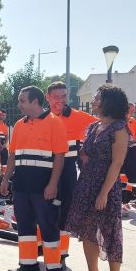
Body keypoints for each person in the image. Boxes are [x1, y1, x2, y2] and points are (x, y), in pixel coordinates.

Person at [65, 84, 130, 271]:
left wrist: (103, 193)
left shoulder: (119, 128)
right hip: (87, 184)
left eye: (97, 98)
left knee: (110, 233)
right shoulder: (94, 127)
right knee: (87, 232)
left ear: (107, 102)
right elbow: (86, 154)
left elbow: (116, 164)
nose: (93, 101)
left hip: (106, 188)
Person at [0, 86, 68, 271]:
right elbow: (12, 155)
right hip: (22, 186)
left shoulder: (55, 123)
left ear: (35, 102)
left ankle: (54, 268)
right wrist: (5, 179)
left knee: (48, 226)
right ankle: (28, 266)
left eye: (22, 101)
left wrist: (53, 184)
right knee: (25, 227)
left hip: (44, 186)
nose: (19, 104)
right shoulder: (19, 125)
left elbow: (60, 157)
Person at [45, 81, 96, 261]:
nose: (61, 100)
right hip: (45, 169)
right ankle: (41, 249)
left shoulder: (79, 116)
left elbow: (102, 127)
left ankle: (62, 254)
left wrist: (86, 150)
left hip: (67, 171)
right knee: (44, 210)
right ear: (48, 98)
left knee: (65, 211)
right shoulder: (43, 117)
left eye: (64, 96)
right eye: (56, 96)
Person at [120, 103, 136, 205]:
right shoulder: (119, 120)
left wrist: (132, 140)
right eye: (131, 110)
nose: (133, 111)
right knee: (122, 174)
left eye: (134, 110)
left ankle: (135, 196)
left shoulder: (132, 120)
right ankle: (123, 199)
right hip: (122, 150)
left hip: (133, 150)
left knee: (134, 174)